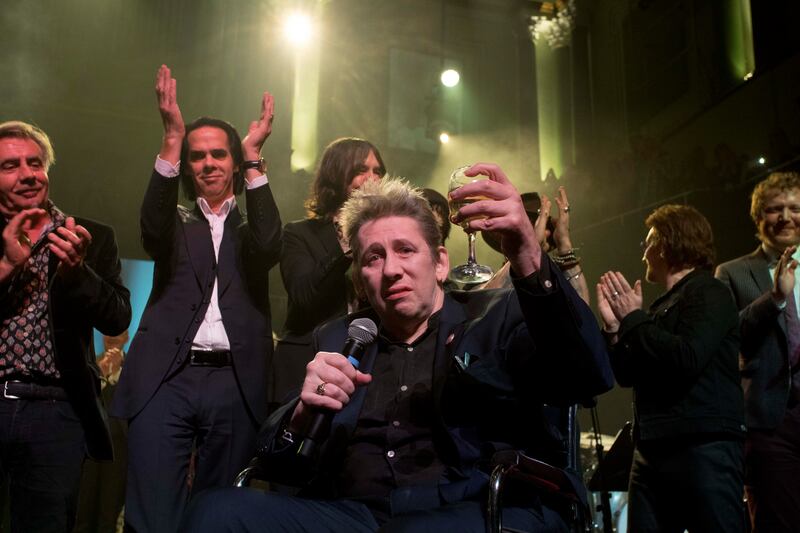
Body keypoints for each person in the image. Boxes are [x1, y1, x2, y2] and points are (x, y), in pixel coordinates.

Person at [181, 166, 613, 532]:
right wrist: (301, 414)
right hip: (351, 513)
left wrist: (528, 255)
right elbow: (276, 463)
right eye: (373, 257)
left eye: (406, 250)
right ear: (359, 277)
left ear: (440, 262)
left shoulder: (493, 319)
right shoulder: (340, 339)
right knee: (214, 511)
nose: (391, 270)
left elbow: (586, 375)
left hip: (467, 507)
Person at [110, 65, 282, 532]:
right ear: (187, 166)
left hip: (234, 380)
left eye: (220, 154)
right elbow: (149, 227)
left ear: (233, 163)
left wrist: (253, 156)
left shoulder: (250, 230)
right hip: (168, 378)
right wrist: (171, 138)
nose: (209, 162)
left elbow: (270, 247)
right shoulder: (175, 224)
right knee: (151, 512)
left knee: (219, 513)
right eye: (198, 155)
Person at [0, 121, 131, 532]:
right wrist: (6, 267)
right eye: (10, 165)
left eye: (34, 162)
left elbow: (117, 318)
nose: (27, 173)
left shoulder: (91, 237)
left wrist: (78, 273)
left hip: (57, 412)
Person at [597, 204, 746, 532]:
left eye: (647, 243)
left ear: (666, 243)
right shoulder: (659, 308)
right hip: (653, 447)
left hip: (702, 446)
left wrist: (634, 320)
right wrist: (614, 329)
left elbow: (686, 358)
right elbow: (626, 375)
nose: (644, 254)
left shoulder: (709, 291)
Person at [715, 170, 800, 532]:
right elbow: (727, 338)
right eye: (774, 209)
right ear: (758, 217)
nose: (785, 217)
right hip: (769, 422)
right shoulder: (733, 273)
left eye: (795, 208)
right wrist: (776, 298)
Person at [271, 138, 385, 407]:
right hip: (305, 366)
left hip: (365, 368)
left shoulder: (383, 238)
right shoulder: (299, 234)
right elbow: (304, 296)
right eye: (361, 170)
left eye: (378, 171)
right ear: (336, 175)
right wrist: (348, 240)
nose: (372, 179)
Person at [482, 186, 589, 304]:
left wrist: (565, 245)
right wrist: (526, 251)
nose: (546, 232)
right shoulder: (481, 280)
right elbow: (485, 310)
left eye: (547, 228)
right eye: (532, 224)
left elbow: (581, 317)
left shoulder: (552, 283)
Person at [75, 331, 129, 533]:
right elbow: (83, 402)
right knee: (82, 510)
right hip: (89, 449)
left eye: (118, 333)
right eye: (108, 333)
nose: (112, 336)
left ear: (126, 338)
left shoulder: (133, 368)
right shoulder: (91, 364)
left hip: (118, 451)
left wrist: (116, 375)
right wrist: (103, 374)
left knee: (108, 513)